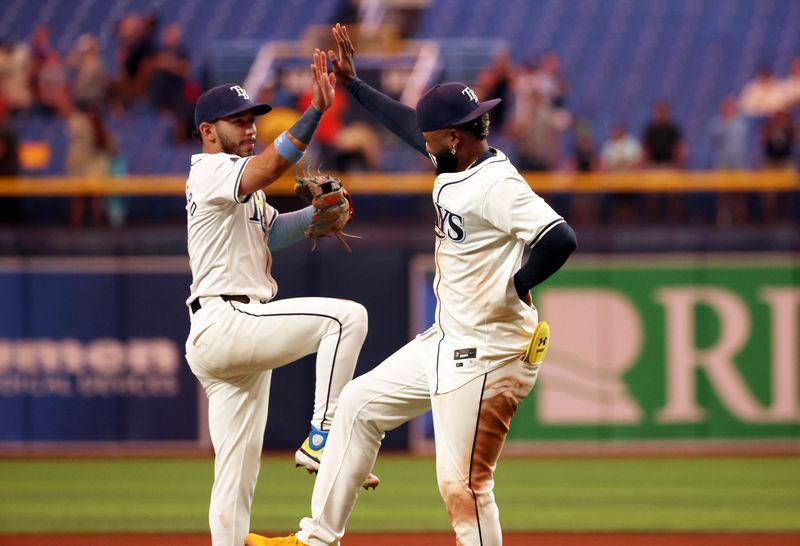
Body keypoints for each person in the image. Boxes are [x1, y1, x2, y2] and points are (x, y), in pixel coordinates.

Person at [246, 24, 577, 546]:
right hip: (449, 339)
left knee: (464, 485)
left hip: (489, 352)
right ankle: (317, 539)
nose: (422, 142)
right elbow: (407, 124)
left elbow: (560, 237)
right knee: (357, 405)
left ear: (454, 136)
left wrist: (517, 283)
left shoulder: (496, 183)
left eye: (431, 138)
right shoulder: (458, 158)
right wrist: (354, 87)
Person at [184, 50, 376, 546]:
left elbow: (274, 234)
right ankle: (324, 437)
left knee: (235, 477)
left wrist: (317, 217)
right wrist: (316, 112)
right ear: (208, 131)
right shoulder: (210, 172)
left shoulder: (242, 189)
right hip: (227, 318)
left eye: (252, 121)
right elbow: (269, 168)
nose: (249, 129)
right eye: (238, 122)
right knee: (345, 319)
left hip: (228, 334)